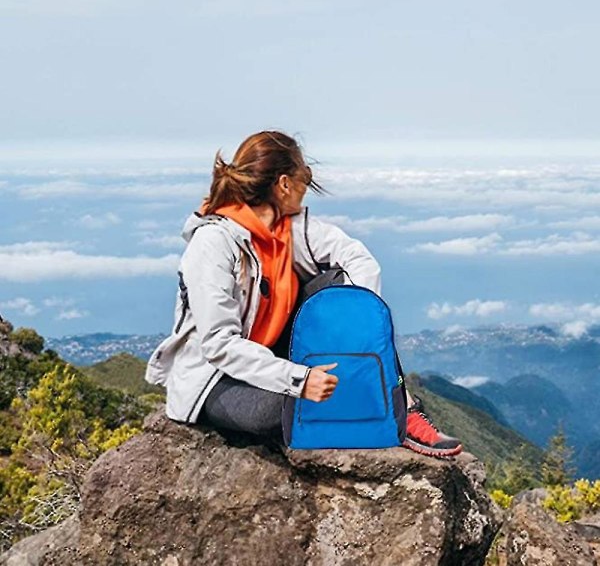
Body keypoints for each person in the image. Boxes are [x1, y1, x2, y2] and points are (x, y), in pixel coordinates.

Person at [145, 131, 462, 457]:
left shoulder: (291, 230)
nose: (306, 190)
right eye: (304, 180)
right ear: (284, 184)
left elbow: (359, 261)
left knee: (339, 284)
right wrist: (299, 379)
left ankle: (400, 410)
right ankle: (379, 407)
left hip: (275, 353)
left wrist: (357, 327)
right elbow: (219, 344)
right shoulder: (213, 243)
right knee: (281, 412)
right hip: (215, 377)